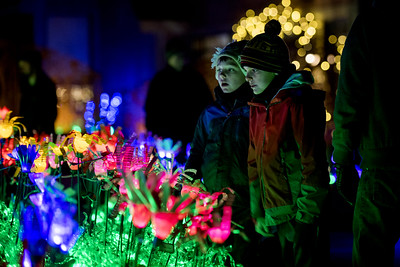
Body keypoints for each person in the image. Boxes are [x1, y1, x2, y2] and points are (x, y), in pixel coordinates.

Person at [240, 20, 329, 267]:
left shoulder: (297, 104)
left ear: (274, 69)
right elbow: (253, 162)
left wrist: (306, 218)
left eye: (254, 70)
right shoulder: (258, 107)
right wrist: (258, 211)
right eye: (245, 69)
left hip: (300, 217)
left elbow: (313, 163)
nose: (247, 77)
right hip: (275, 216)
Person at [185, 40, 270, 266]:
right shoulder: (210, 113)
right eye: (220, 71)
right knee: (214, 257)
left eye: (230, 70)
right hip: (212, 201)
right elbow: (197, 150)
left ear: (245, 73)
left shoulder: (256, 111)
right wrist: (188, 180)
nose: (222, 76)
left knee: (242, 256)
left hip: (245, 203)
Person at [332, 2, 400, 266]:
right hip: (381, 159)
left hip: (381, 165)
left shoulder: (371, 25)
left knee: (371, 255)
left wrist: (343, 160)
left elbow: (349, 100)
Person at [144, 37, 213, 164]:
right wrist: (155, 133)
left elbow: (206, 104)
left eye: (182, 56)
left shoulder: (195, 77)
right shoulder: (160, 80)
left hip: (192, 136)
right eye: (177, 56)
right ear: (169, 57)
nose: (181, 60)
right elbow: (151, 108)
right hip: (167, 138)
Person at [18, 50, 58, 136]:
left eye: (24, 66)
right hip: (27, 133)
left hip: (44, 133)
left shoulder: (47, 84)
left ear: (32, 64)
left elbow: (52, 110)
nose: (23, 70)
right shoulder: (23, 83)